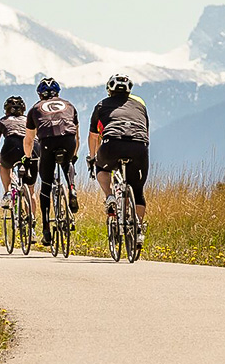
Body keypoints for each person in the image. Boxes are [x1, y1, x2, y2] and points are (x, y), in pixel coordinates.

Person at [86, 73, 149, 245]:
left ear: (109, 90)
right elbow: (146, 132)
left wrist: (92, 158)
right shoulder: (140, 105)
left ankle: (110, 197)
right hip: (138, 146)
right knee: (138, 190)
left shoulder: (101, 105)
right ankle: (138, 229)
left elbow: (93, 136)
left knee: (102, 168)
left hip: (111, 144)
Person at [23, 76, 79, 247]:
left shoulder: (34, 109)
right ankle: (72, 188)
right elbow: (77, 135)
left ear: (39, 94)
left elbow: (29, 140)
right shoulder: (69, 105)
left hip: (47, 142)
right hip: (68, 140)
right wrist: (74, 154)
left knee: (46, 186)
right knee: (67, 163)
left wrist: (27, 158)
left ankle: (46, 230)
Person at [0, 95, 37, 221]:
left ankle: (8, 192)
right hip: (32, 148)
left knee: (4, 165)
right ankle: (32, 223)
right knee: (30, 190)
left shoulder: (2, 121)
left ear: (6, 110)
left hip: (11, 146)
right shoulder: (29, 120)